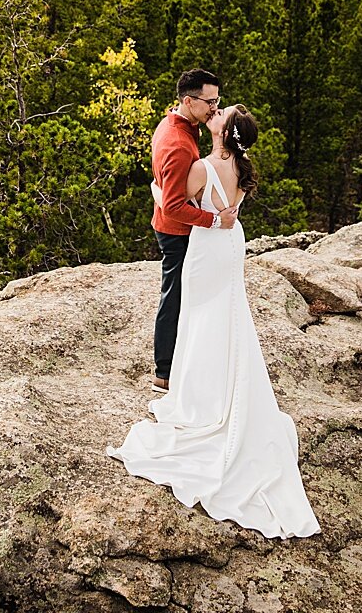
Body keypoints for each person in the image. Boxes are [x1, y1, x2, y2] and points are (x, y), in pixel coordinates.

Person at [107, 103, 321, 540]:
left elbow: (171, 203)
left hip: (206, 247)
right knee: (228, 316)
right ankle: (219, 389)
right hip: (231, 244)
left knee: (200, 318)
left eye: (223, 114)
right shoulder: (241, 168)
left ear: (224, 132)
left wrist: (153, 187)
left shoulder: (203, 168)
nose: (217, 112)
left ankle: (199, 399)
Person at [144, 68, 235, 394]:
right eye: (210, 101)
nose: (215, 107)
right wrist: (214, 221)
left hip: (177, 226)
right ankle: (163, 374)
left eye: (217, 100)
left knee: (187, 296)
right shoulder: (179, 144)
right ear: (188, 100)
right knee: (175, 298)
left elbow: (167, 188)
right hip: (177, 232)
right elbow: (173, 206)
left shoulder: (176, 123)